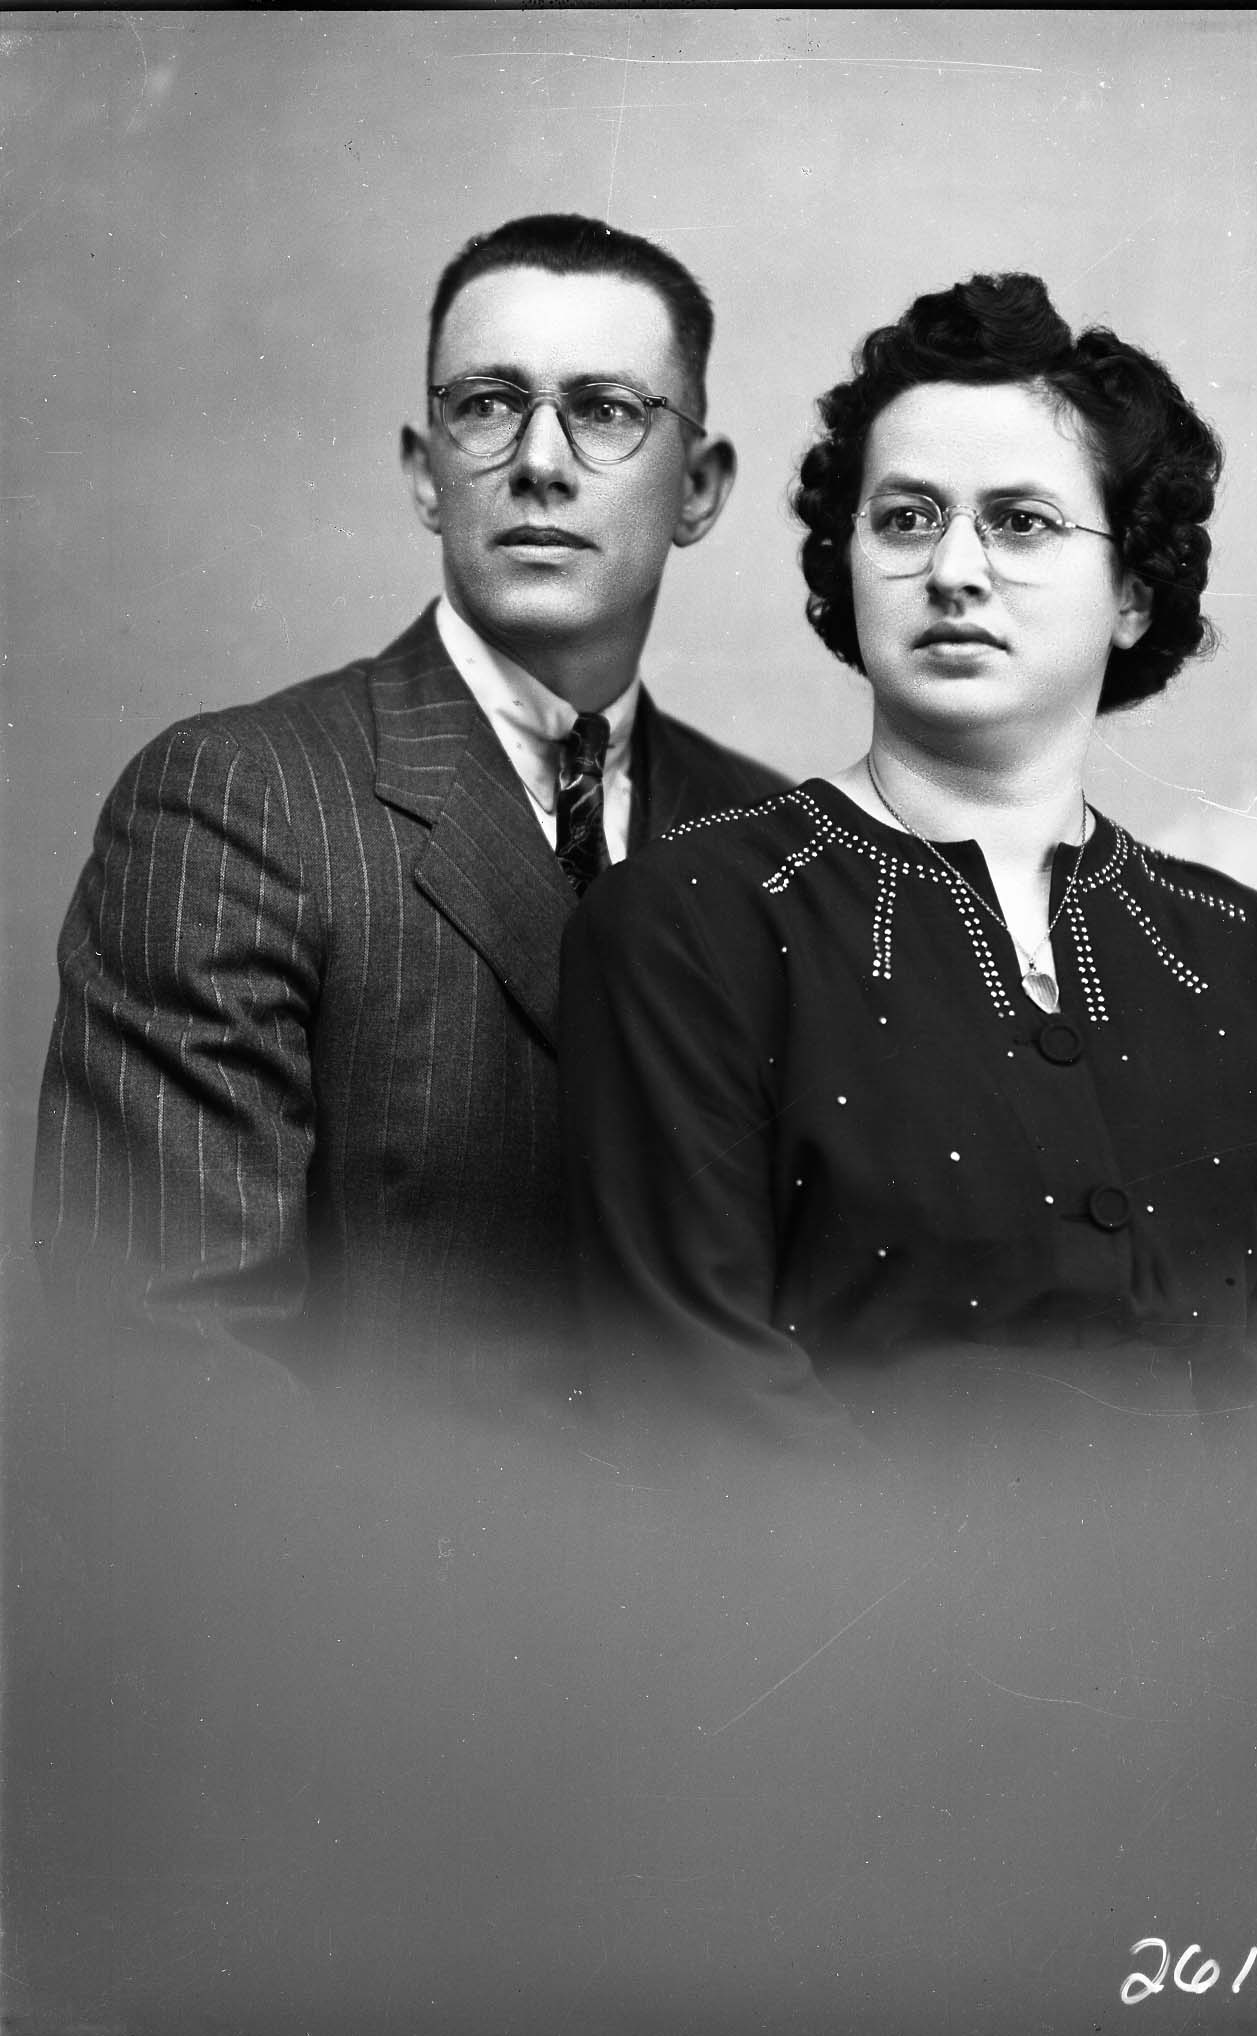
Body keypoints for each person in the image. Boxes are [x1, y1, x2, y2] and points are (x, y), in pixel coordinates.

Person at [558, 270, 1257, 1456]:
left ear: (1132, 593)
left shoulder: (1250, 958)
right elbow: (699, 1403)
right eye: (907, 518)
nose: (954, 569)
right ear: (849, 564)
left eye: (1021, 520)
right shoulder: (687, 924)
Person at [32, 213, 784, 1408]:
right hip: (366, 1532)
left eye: (605, 409)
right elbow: (163, 1371)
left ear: (698, 488)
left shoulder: (777, 840)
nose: (540, 461)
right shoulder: (241, 800)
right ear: (426, 473)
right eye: (487, 404)